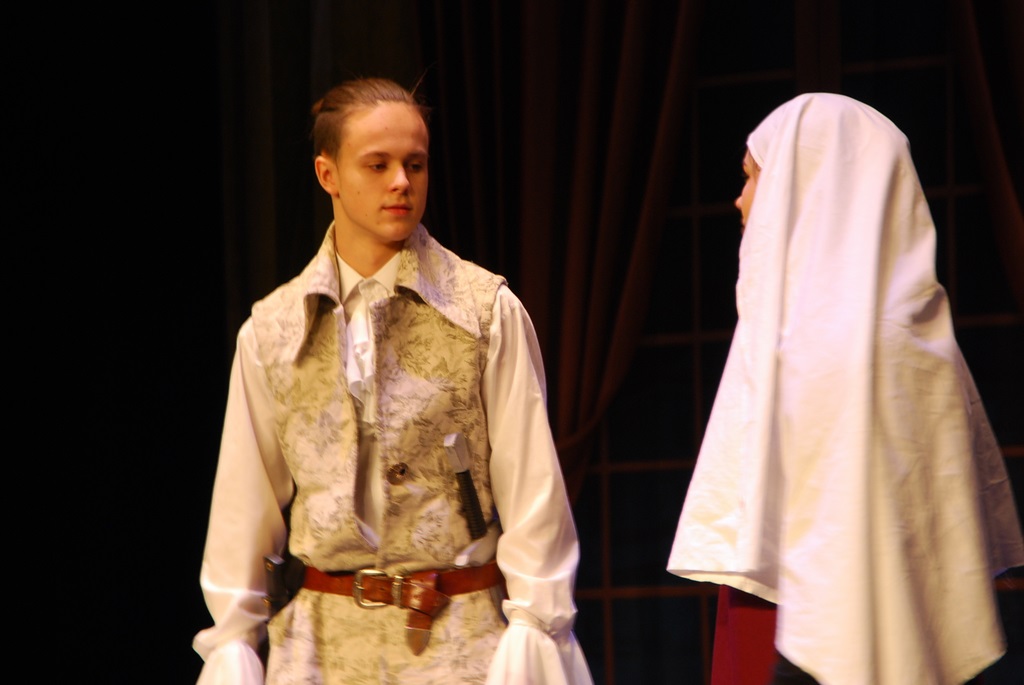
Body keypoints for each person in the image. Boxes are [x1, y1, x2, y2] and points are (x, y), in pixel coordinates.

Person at [193, 77, 593, 685]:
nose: (401, 181)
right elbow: (242, 509)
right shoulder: (273, 331)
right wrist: (233, 642)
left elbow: (533, 491)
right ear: (328, 174)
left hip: (462, 642)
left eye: (416, 164)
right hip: (319, 652)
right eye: (377, 165)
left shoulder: (483, 311)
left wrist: (536, 623)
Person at [667, 92, 1024, 685]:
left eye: (753, 177)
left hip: (801, 621)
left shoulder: (841, 342)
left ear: (806, 185)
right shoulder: (905, 337)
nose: (740, 199)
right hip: (789, 599)